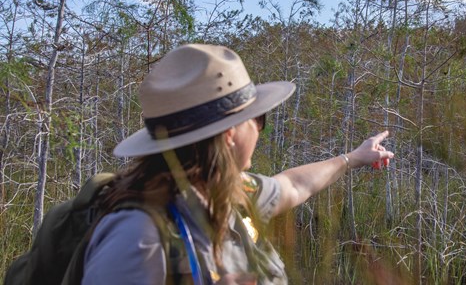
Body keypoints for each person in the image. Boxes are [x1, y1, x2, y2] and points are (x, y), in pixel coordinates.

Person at [81, 44, 394, 285]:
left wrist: (353, 158)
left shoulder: (233, 190)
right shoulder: (138, 235)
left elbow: (293, 185)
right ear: (230, 134)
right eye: (257, 118)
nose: (259, 129)